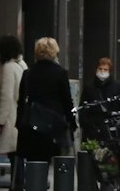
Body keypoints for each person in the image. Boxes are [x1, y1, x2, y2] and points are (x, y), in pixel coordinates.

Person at [16, 37, 75, 171]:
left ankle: (33, 183)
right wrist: (72, 122)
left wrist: (19, 123)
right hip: (52, 125)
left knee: (33, 161)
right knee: (52, 160)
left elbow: (21, 101)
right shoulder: (60, 73)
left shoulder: (28, 73)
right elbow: (67, 100)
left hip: (32, 124)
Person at [0, 35, 27, 191]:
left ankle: (16, 190)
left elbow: (5, 96)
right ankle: (19, 189)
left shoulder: (7, 68)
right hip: (18, 116)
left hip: (10, 118)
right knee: (17, 156)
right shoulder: (21, 65)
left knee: (14, 156)